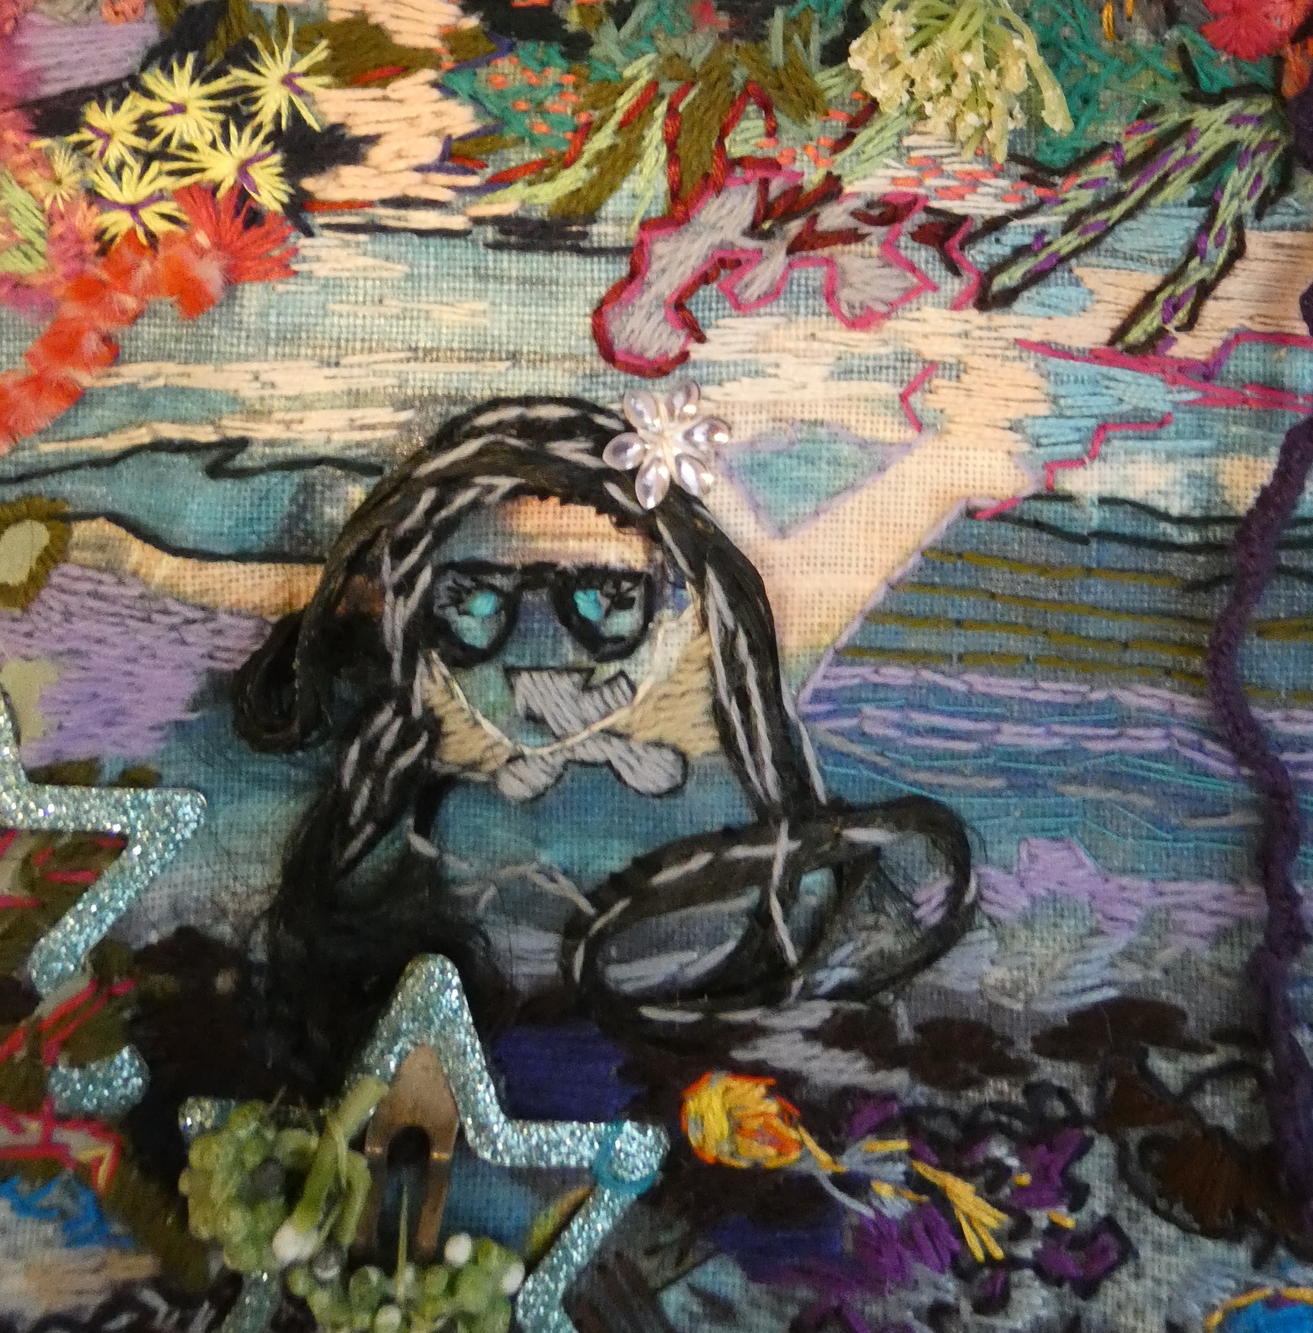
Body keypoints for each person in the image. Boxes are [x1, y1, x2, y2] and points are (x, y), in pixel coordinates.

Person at [234, 394, 975, 1072]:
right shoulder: (411, 785)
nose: (541, 647)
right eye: (475, 601)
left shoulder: (737, 757)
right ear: (416, 615)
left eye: (606, 598)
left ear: (684, 607)